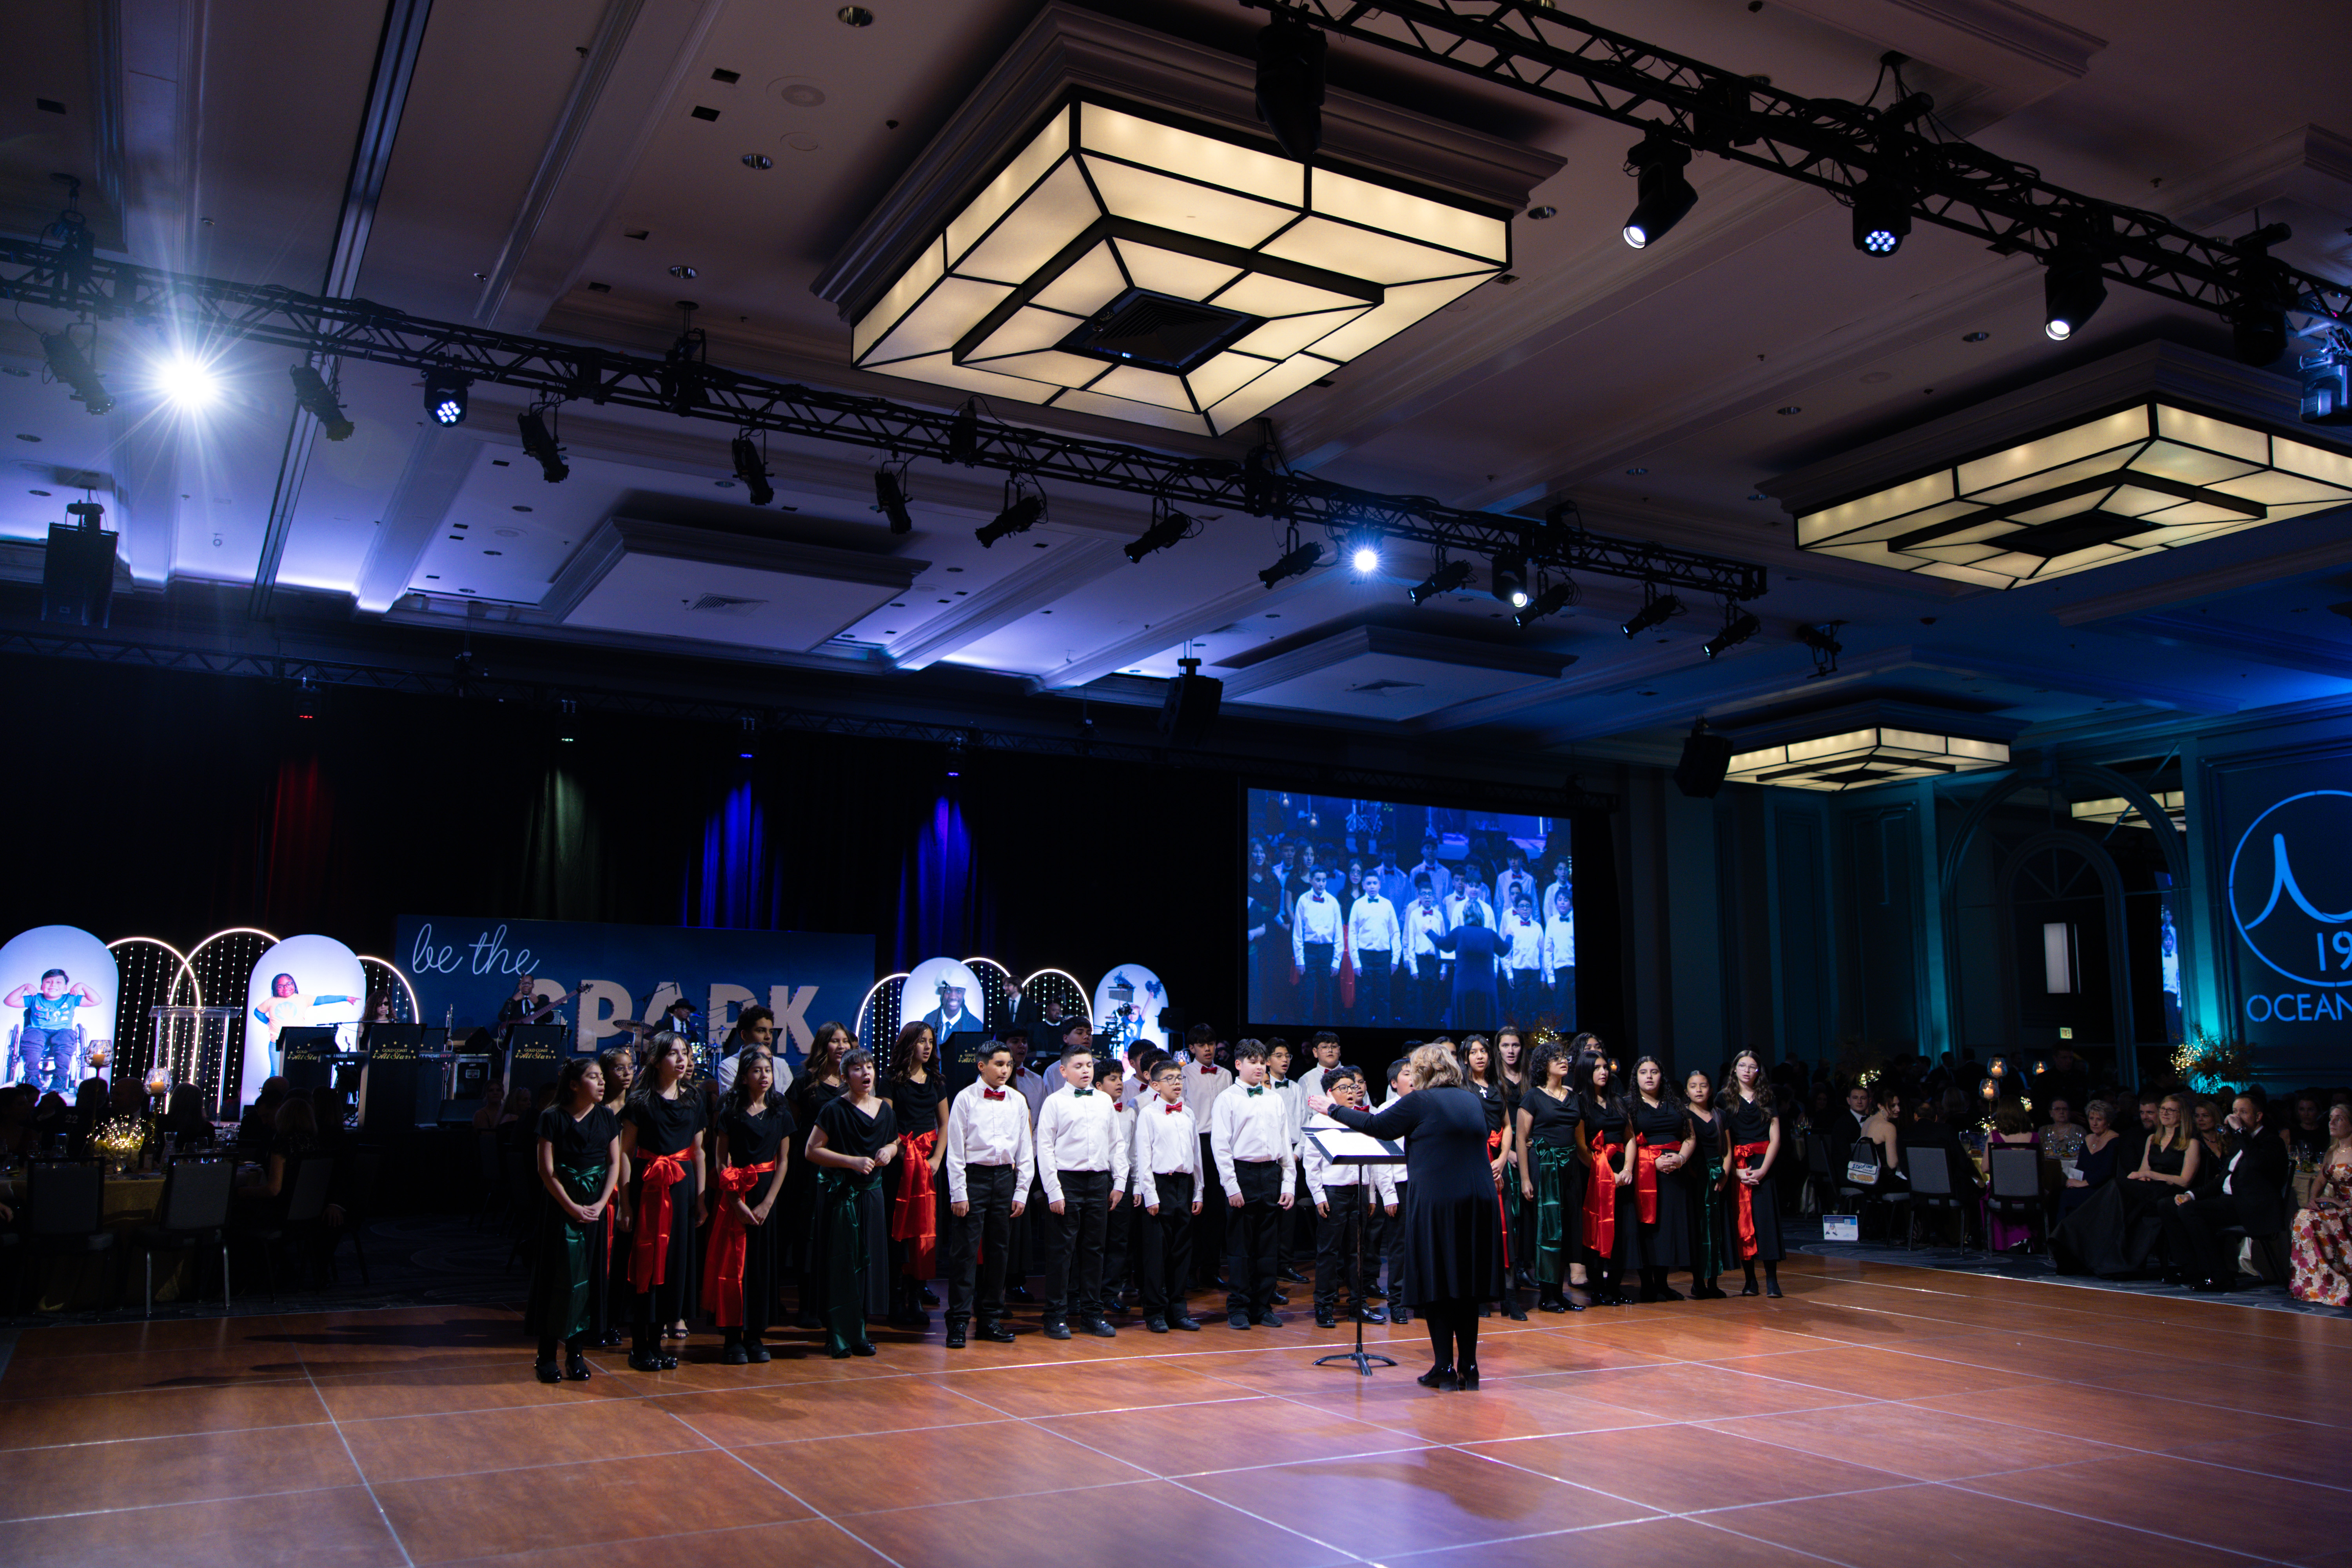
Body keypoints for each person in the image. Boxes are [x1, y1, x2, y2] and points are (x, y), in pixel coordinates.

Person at [1310, 1043, 1503, 1391]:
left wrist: (1332, 1110)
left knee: (1439, 1283)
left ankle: (1444, 1366)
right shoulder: (1471, 1099)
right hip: (1478, 1202)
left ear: (1424, 1072)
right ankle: (1469, 1367)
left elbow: (1377, 1125)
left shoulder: (1420, 1102)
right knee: (1466, 1286)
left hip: (1439, 1203)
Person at [524, 1058, 620, 1383]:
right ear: (575, 1085)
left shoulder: (607, 1116)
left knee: (590, 1278)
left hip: (595, 1206)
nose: (602, 1082)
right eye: (593, 1077)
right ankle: (546, 1355)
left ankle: (576, 1354)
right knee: (558, 1277)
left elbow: (614, 1164)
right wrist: (570, 1206)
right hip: (561, 1207)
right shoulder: (552, 1117)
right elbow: (546, 1170)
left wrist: (602, 1202)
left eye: (601, 1077)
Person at [803, 1047, 898, 1357]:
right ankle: (838, 1335)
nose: (866, 1073)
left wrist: (890, 1151)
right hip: (842, 1196)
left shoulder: (884, 1110)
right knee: (842, 1264)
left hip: (872, 1195)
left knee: (867, 1263)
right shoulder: (834, 1109)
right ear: (845, 1076)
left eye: (870, 1066)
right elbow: (812, 1150)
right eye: (857, 1068)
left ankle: (859, 1333)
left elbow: (894, 1140)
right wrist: (851, 1162)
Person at [620, 1031, 704, 1370]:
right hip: (649, 1184)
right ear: (656, 1060)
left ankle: (657, 1343)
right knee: (646, 1263)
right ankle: (639, 1345)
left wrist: (701, 1199)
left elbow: (699, 1151)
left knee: (673, 1265)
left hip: (681, 1187)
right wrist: (625, 1204)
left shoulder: (694, 1099)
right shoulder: (639, 1102)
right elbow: (626, 1152)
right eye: (673, 1054)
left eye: (685, 1053)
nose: (682, 1060)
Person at [703, 1045, 792, 1364]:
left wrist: (768, 1203)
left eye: (767, 1070)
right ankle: (732, 1337)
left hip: (766, 1196)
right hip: (736, 1193)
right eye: (757, 1071)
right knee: (733, 1266)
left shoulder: (780, 1110)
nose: (764, 1076)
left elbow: (783, 1161)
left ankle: (755, 1336)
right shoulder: (731, 1111)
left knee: (760, 1267)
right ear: (744, 1077)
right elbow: (720, 1159)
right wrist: (735, 1202)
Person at [942, 1039, 1034, 1347]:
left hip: (1005, 1179)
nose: (1005, 1069)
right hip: (974, 1177)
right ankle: (957, 1322)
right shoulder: (965, 1099)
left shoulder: (1018, 1101)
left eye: (1008, 1064)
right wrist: (958, 1192)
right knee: (965, 1254)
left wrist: (1021, 1191)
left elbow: (1025, 1149)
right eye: (999, 1064)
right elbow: (955, 1149)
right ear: (982, 1066)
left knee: (999, 1253)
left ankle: (990, 1320)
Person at [2055, 1090, 2201, 1278]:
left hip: (2170, 1190)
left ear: (2182, 1116)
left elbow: (2185, 1180)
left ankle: (2090, 1244)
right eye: (2163, 1109)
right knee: (2120, 1190)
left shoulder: (2190, 1143)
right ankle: (2084, 1245)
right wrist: (2142, 1176)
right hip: (2149, 1188)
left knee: (2117, 1186)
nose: (2164, 1114)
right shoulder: (2153, 1139)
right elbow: (2142, 1171)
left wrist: (2151, 1175)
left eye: (2171, 1111)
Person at [1034, 1041, 1127, 1340]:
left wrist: (1120, 1181)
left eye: (1089, 1065)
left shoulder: (1103, 1101)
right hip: (1067, 1181)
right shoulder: (1055, 1102)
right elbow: (1044, 1148)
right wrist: (1054, 1190)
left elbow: (1116, 1143)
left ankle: (1092, 1314)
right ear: (1063, 1071)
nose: (1086, 1071)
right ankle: (1056, 1316)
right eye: (1078, 1066)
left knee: (1094, 1251)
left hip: (1099, 1181)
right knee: (1062, 1254)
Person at [2166, 1093, 2290, 1292]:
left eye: (2243, 1112)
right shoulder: (2240, 1142)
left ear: (2258, 1117)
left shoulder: (2270, 1141)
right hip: (2229, 1202)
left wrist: (2240, 1132)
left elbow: (2257, 1163)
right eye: (2234, 1112)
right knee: (2174, 1206)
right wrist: (2192, 1194)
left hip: (2251, 1206)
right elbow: (2223, 1179)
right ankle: (2197, 1269)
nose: (2237, 1116)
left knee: (2191, 1212)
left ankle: (2218, 1275)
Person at [1302, 1064, 1395, 1327]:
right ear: (1331, 1093)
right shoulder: (1320, 1120)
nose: (1352, 1092)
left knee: (1358, 1252)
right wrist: (1319, 1195)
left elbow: (1373, 1158)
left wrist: (1372, 1194)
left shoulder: (1362, 1117)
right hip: (1333, 1193)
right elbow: (1311, 1164)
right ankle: (1324, 1305)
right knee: (1329, 1252)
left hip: (1360, 1191)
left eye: (1354, 1087)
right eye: (1344, 1088)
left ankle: (1359, 1303)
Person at [1212, 1040, 1297, 1329]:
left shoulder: (1275, 1099)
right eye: (1253, 1061)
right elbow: (1221, 1147)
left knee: (1267, 1247)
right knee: (1240, 1248)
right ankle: (1239, 1307)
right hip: (1243, 1173)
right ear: (1238, 1065)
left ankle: (1263, 1307)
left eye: (1262, 1061)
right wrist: (1232, 1187)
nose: (1260, 1066)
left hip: (1271, 1174)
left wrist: (1289, 1185)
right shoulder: (1227, 1099)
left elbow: (1285, 1143)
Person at [785, 1021, 852, 1327]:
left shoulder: (854, 1083)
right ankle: (806, 1304)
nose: (842, 1047)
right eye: (835, 1041)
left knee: (837, 1235)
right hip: (810, 1169)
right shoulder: (804, 1082)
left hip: (844, 1169)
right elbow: (790, 1127)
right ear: (823, 1045)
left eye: (846, 1042)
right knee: (807, 1235)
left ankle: (833, 1303)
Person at [1132, 1054, 1202, 1333]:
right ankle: (1155, 1311)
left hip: (1184, 1186)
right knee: (1155, 1254)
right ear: (1155, 1085)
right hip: (1159, 1186)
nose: (1176, 1083)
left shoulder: (1189, 1113)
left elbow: (1195, 1156)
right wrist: (1150, 1195)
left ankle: (1178, 1309)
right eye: (1169, 1079)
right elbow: (1143, 1157)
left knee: (1181, 1252)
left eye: (1179, 1078)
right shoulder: (1148, 1114)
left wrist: (1199, 1191)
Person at [1516, 1037, 1585, 1313]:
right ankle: (1547, 1295)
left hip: (1570, 1169)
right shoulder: (1533, 1097)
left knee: (1568, 1227)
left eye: (1564, 1057)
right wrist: (1524, 1178)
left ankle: (1561, 1291)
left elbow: (1580, 1139)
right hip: (1544, 1168)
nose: (1564, 1061)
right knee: (1548, 1229)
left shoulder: (1573, 1096)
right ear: (1544, 1066)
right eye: (1557, 1058)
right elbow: (1522, 1139)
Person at [886, 1022, 946, 1328]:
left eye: (931, 1042)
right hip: (899, 1162)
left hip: (927, 1165)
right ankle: (895, 1300)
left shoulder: (936, 1080)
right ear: (908, 1043)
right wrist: (900, 1150)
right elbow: (887, 1122)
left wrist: (936, 1158)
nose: (927, 1047)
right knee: (899, 1231)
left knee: (922, 1231)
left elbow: (944, 1125)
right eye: (921, 1041)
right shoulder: (892, 1080)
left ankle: (915, 1297)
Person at [1625, 1055, 1695, 1302]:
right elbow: (1629, 1141)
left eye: (1654, 1072)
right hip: (1646, 1173)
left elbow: (1690, 1136)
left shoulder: (1675, 1103)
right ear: (1636, 1078)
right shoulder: (1629, 1105)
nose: (1650, 1077)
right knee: (1648, 1228)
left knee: (1669, 1228)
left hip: (1674, 1173)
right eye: (1644, 1072)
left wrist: (1681, 1159)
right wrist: (1651, 1162)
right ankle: (1647, 1285)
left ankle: (1663, 1284)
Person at [1720, 1049, 1784, 1298]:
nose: (1747, 1071)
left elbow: (1775, 1137)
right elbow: (1721, 1139)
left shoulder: (1767, 1097)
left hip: (1762, 1162)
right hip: (1737, 1164)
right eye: (1743, 1066)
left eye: (1752, 1067)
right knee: (1742, 1222)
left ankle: (1772, 1280)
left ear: (1759, 1071)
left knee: (1766, 1221)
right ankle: (1750, 1281)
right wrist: (1735, 1171)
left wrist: (1764, 1169)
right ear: (1735, 1069)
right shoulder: (1724, 1099)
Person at [2288, 1101, 2352, 1306]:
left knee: (2317, 1220)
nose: (2332, 1122)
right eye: (2331, 1118)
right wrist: (2312, 1200)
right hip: (2338, 1206)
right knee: (2303, 1216)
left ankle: (2337, 1280)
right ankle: (2314, 1282)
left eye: (2339, 1119)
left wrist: (2339, 1202)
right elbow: (2320, 1180)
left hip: (2349, 1207)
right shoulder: (2333, 1152)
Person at [1183, 1024, 1232, 1290]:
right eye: (1202, 1044)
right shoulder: (1184, 1074)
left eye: (1211, 1044)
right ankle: (1190, 1269)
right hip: (1197, 1142)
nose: (1208, 1049)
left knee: (1216, 1210)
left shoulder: (1226, 1075)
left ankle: (1212, 1269)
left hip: (1221, 1143)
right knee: (1196, 1207)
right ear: (1192, 1048)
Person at [8, 969, 101, 1093]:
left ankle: (60, 1078)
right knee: (31, 1042)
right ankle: (32, 1077)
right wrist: (25, 987)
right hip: (38, 1030)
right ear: (42, 986)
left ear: (65, 987)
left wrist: (82, 986)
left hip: (62, 1031)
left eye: (58, 982)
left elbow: (96, 1001)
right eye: (48, 982)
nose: (53, 985)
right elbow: (9, 1001)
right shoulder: (34, 999)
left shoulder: (71, 999)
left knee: (66, 1042)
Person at [1682, 1069, 1729, 1298]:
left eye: (1703, 1086)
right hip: (1695, 1178)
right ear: (1687, 1091)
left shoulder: (1720, 1115)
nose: (1699, 1090)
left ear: (1711, 1090)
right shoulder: (1685, 1116)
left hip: (1717, 1177)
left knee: (1717, 1229)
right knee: (1698, 1229)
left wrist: (1724, 1175)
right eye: (1693, 1086)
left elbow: (1727, 1149)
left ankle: (1714, 1281)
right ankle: (1697, 1281)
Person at [1430, 905, 1505, 1031]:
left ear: (1465, 916)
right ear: (1482, 917)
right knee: (1485, 1027)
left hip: (1463, 988)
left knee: (1463, 1027)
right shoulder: (1490, 934)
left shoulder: (1460, 932)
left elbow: (1442, 944)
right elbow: (1504, 950)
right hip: (1486, 988)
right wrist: (1510, 936)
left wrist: (1428, 931)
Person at [1348, 870, 1401, 1027]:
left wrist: (1396, 958)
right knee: (1364, 997)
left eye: (1375, 883)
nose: (1372, 886)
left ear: (1380, 885)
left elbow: (1395, 932)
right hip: (1364, 956)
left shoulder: (1387, 905)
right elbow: (1352, 933)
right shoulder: (1358, 904)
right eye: (1369, 883)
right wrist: (1356, 961)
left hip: (1384, 956)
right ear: (1363, 885)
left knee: (1383, 997)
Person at [1291, 869, 1343, 1024]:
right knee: (1307, 992)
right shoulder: (1303, 900)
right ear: (1311, 880)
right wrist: (1299, 960)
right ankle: (1306, 1026)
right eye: (1318, 880)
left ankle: (1325, 1028)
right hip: (1309, 950)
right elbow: (1298, 932)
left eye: (1324, 880)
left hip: (1327, 951)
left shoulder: (1333, 902)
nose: (1321, 884)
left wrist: (1336, 960)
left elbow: (1339, 933)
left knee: (1326, 993)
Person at [1983, 1105, 2038, 1250]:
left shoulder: (1995, 1137)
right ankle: (2026, 1238)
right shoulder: (2035, 1137)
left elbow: (1985, 1168)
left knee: (1987, 1195)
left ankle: (2005, 1243)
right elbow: (2041, 1170)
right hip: (2030, 1194)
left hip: (2002, 1194)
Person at [2060, 1099, 2123, 1221]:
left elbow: (2106, 1171)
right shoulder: (2089, 1138)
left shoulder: (2115, 1140)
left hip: (2102, 1188)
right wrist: (2073, 1181)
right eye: (2091, 1119)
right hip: (2085, 1185)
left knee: (2066, 1197)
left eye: (2099, 1120)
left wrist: (2082, 1184)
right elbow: (2080, 1166)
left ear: (2108, 1122)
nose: (2094, 1123)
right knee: (2059, 1194)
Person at [1405, 876, 1450, 1023]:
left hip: (1435, 961)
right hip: (1421, 961)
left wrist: (1444, 968)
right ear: (1419, 896)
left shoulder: (1439, 916)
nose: (1427, 897)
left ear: (1434, 896)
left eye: (1430, 894)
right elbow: (1411, 941)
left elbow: (1444, 942)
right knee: (1420, 1000)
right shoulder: (1414, 915)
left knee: (1436, 998)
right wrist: (1413, 968)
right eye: (1424, 894)